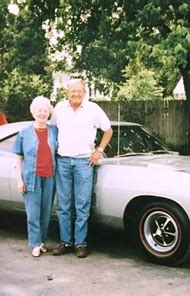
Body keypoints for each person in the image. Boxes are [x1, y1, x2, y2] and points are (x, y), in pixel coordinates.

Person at [50, 79, 113, 258]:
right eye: (72, 91)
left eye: (79, 91)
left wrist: (99, 151)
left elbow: (108, 131)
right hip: (62, 161)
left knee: (82, 204)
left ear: (85, 93)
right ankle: (65, 242)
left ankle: (80, 243)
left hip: (84, 162)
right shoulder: (59, 109)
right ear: (66, 92)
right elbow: (52, 131)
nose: (75, 94)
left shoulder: (93, 109)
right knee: (63, 204)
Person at [12, 96, 58, 258]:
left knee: (46, 212)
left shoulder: (53, 131)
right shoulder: (24, 133)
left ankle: (43, 241)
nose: (43, 113)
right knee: (33, 213)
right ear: (33, 112)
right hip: (32, 178)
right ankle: (35, 243)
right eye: (40, 110)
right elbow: (18, 157)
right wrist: (19, 179)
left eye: (46, 110)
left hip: (50, 177)